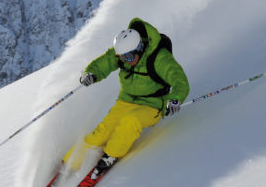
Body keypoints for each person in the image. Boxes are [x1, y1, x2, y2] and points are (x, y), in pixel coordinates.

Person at [73, 17, 190, 172]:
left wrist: (174, 99)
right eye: (122, 57)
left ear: (139, 48)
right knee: (101, 132)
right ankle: (70, 162)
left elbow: (179, 80)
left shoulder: (159, 58)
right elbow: (105, 62)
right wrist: (90, 73)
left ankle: (110, 155)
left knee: (130, 121)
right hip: (126, 100)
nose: (125, 61)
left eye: (128, 57)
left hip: (153, 105)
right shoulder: (124, 53)